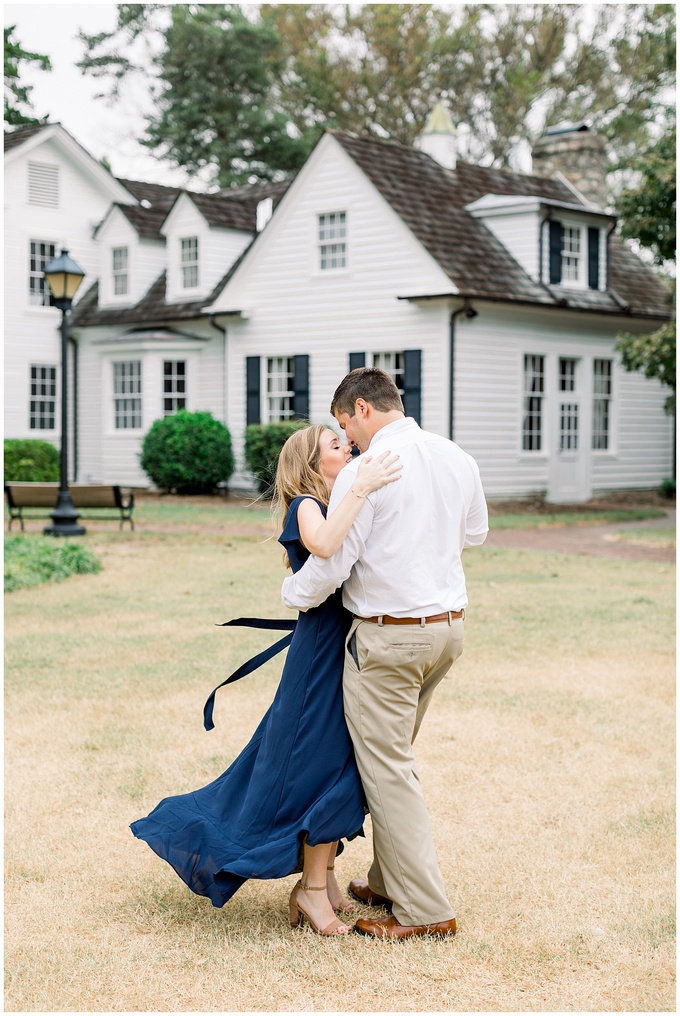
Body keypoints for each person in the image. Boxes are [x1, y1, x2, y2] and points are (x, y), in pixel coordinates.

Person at [130, 424, 401, 937]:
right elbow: (322, 547)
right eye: (337, 446)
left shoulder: (335, 500)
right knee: (319, 767)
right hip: (319, 656)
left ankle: (324, 881)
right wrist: (364, 486)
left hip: (339, 648)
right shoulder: (306, 505)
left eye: (347, 442)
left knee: (333, 766)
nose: (351, 448)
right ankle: (311, 892)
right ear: (310, 464)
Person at [281, 368, 488, 940]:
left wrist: (290, 593)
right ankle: (386, 881)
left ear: (363, 410)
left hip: (390, 638)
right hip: (447, 634)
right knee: (389, 761)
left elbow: (332, 565)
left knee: (388, 769)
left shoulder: (363, 475)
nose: (348, 438)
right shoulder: (456, 457)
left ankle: (423, 911)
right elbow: (474, 535)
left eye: (346, 423)